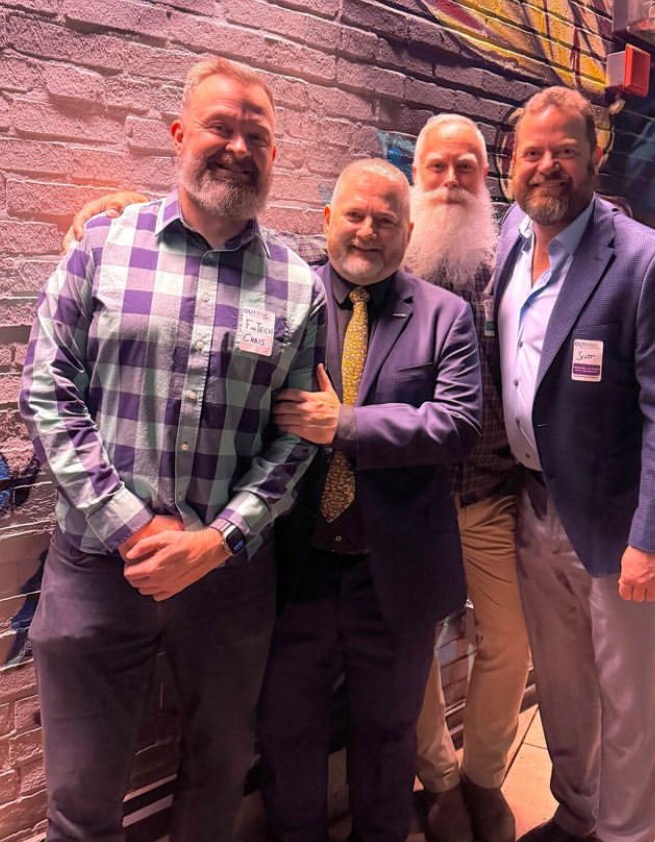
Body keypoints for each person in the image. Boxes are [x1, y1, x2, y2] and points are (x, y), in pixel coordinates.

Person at [19, 57, 326, 842]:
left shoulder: (298, 287)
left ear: (275, 154)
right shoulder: (102, 246)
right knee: (81, 801)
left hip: (229, 579)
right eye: (220, 126)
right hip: (97, 566)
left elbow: (297, 438)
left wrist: (217, 541)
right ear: (179, 133)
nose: (237, 147)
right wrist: (132, 527)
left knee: (220, 774)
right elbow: (47, 391)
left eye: (256, 135)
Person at [493, 86, 655, 842]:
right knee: (560, 685)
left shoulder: (649, 263)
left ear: (595, 157)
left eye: (565, 150)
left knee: (625, 697)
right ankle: (576, 813)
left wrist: (653, 538)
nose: (547, 165)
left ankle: (625, 833)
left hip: (617, 526)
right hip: (533, 506)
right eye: (533, 152)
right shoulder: (509, 240)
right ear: (511, 164)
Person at [258, 158, 482, 842]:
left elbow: (459, 424)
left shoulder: (446, 316)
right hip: (292, 571)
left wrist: (345, 424)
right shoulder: (285, 299)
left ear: (408, 232)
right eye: (354, 215)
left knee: (388, 742)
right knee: (286, 735)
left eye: (386, 220)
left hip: (395, 577)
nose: (367, 231)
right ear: (327, 219)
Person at [406, 114, 528, 842]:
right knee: (412, 645)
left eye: (466, 168)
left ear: (486, 178)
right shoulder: (389, 256)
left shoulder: (510, 267)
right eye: (437, 167)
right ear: (415, 174)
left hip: (488, 495)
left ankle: (483, 777)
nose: (451, 181)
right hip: (411, 504)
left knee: (510, 640)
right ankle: (439, 781)